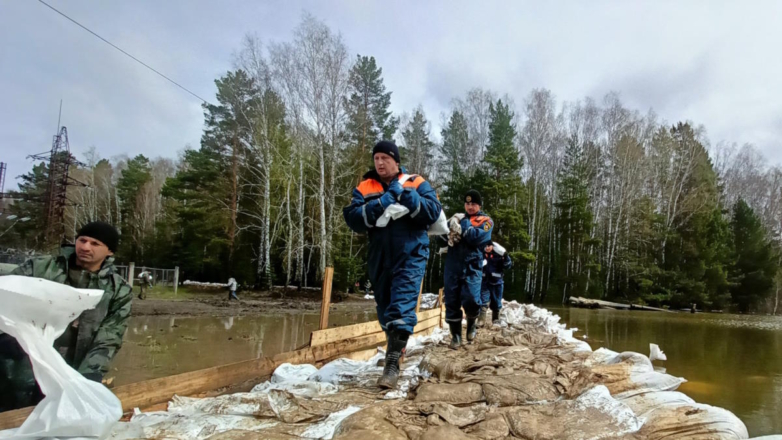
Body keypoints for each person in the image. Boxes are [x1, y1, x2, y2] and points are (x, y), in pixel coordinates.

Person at [0, 221, 132, 411]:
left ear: (110, 252)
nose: (85, 247)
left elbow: (109, 336)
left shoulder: (117, 290)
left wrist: (89, 376)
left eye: (95, 244)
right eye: (82, 240)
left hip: (68, 369)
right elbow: (6, 300)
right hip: (17, 366)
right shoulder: (40, 268)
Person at [344, 140, 442, 389]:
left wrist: (406, 196)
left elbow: (432, 211)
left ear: (396, 161)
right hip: (379, 256)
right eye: (376, 158)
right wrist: (381, 203)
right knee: (386, 311)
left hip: (410, 253)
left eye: (385, 158)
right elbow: (354, 219)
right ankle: (396, 351)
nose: (379, 163)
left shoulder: (416, 182)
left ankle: (391, 365)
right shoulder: (366, 186)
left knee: (401, 310)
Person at [443, 190, 493, 349]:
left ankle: (472, 321)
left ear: (479, 205)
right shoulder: (456, 218)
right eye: (467, 203)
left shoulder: (485, 221)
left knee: (471, 298)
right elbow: (441, 236)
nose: (470, 207)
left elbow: (475, 238)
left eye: (473, 204)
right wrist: (449, 233)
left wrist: (463, 227)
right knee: (451, 301)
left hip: (472, 266)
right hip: (453, 264)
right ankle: (456, 336)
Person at [480, 243, 512, 326]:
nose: (487, 248)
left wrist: (506, 257)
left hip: (497, 282)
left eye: (489, 246)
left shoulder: (499, 255)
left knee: (496, 302)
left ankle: (495, 320)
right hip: (484, 282)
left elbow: (507, 266)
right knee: (483, 301)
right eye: (485, 246)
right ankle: (481, 320)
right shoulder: (481, 254)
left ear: (492, 247)